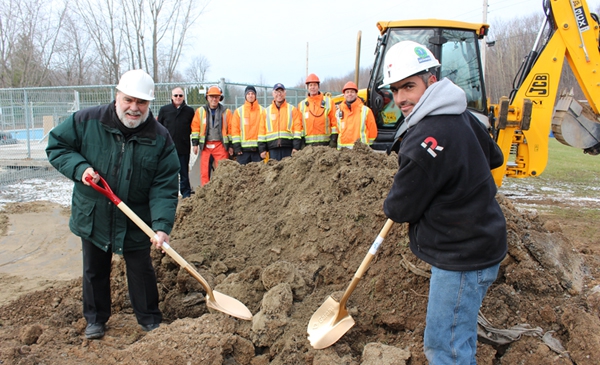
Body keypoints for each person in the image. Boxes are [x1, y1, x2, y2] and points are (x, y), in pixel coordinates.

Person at [381, 41, 508, 364]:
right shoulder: (462, 115)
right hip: (481, 241)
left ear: (431, 81)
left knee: (445, 348)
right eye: (395, 90)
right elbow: (495, 156)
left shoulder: (426, 139)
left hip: (462, 256)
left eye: (409, 86)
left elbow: (400, 209)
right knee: (458, 338)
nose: (401, 99)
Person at [45, 69, 180, 340]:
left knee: (141, 269)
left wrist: (162, 226)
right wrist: (80, 168)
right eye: (128, 100)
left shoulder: (160, 137)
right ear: (117, 96)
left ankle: (150, 319)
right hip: (94, 212)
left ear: (149, 104)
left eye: (141, 103)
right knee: (94, 269)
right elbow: (57, 146)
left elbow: (164, 186)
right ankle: (95, 319)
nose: (134, 108)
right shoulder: (87, 121)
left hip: (135, 217)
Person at [158, 87, 195, 198]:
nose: (178, 97)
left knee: (184, 171)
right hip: (168, 147)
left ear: (183, 97)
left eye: (180, 95)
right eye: (176, 95)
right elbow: (159, 127)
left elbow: (193, 128)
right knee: (169, 172)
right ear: (171, 97)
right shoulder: (164, 110)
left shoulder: (189, 111)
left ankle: (186, 193)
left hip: (183, 146)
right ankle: (169, 194)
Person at [191, 85, 233, 186]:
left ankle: (222, 192)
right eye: (212, 96)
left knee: (223, 172)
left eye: (216, 97)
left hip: (221, 146)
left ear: (220, 98)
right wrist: (195, 144)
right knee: (204, 172)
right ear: (207, 97)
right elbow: (195, 128)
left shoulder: (226, 112)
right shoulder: (200, 111)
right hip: (205, 146)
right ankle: (205, 194)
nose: (214, 99)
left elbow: (231, 129)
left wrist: (231, 146)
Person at [258, 83, 303, 161]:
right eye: (276, 92)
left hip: (288, 148)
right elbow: (261, 131)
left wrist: (296, 147)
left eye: (281, 91)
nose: (279, 94)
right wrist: (262, 149)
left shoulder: (292, 110)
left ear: (285, 93)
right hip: (272, 149)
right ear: (273, 94)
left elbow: (297, 130)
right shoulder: (266, 111)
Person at [298, 73, 337, 147]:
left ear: (318, 87)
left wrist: (333, 140)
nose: (313, 87)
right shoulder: (302, 105)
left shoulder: (329, 102)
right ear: (308, 87)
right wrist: (302, 143)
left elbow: (334, 122)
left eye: (315, 85)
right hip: (308, 146)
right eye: (311, 85)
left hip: (326, 144)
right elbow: (300, 125)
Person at [335, 81, 377, 149]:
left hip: (360, 151)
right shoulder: (338, 112)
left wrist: (368, 146)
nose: (350, 94)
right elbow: (337, 129)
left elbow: (372, 130)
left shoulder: (365, 111)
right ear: (344, 95)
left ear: (356, 94)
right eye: (347, 92)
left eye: (352, 92)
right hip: (342, 152)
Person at [231, 85, 265, 164]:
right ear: (245, 96)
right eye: (248, 94)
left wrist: (263, 148)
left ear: (255, 95)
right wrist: (237, 147)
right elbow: (235, 130)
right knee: (242, 174)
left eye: (252, 94)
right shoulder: (239, 111)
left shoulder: (263, 111)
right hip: (243, 151)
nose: (250, 95)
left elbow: (265, 130)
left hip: (258, 151)